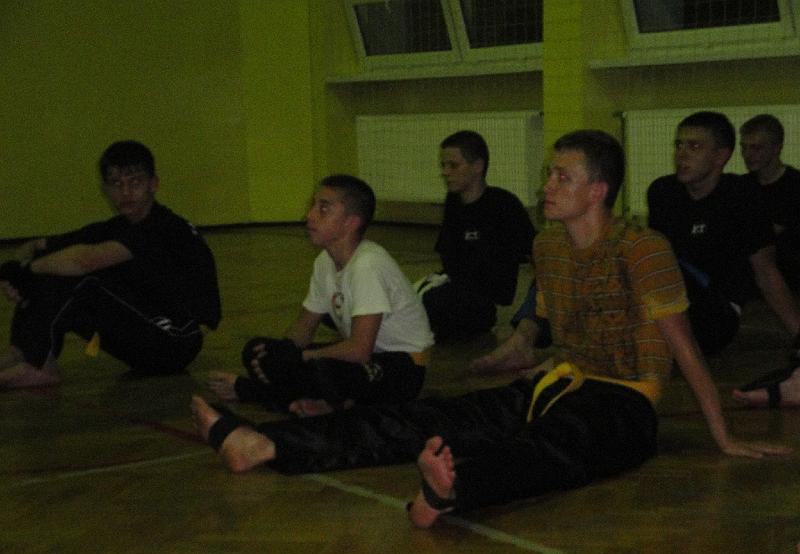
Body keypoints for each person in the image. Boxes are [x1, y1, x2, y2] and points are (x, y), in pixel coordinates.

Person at [191, 130, 789, 530]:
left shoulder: (642, 248)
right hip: (558, 380)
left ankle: (450, 490)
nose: (546, 186)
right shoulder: (549, 246)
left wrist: (723, 437)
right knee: (431, 416)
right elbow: (540, 326)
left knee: (555, 448)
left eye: (561, 178)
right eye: (549, 175)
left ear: (598, 191)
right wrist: (517, 360)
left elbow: (684, 348)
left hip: (625, 402)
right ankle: (267, 444)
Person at [207, 174, 434, 417]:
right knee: (257, 351)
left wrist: (301, 357)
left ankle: (253, 391)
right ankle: (321, 403)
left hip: (401, 367)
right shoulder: (324, 262)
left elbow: (359, 350)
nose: (310, 215)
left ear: (350, 223)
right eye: (313, 206)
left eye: (323, 209)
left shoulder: (368, 264)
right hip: (364, 360)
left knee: (324, 372)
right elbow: (304, 327)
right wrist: (282, 352)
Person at [0, 140, 221, 388]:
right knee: (49, 266)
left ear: (153, 184)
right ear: (105, 189)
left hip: (176, 340)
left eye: (135, 182)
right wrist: (17, 273)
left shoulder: (163, 227)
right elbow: (36, 246)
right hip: (147, 331)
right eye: (116, 183)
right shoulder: (117, 227)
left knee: (78, 277)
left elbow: (85, 261)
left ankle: (41, 365)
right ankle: (19, 354)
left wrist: (25, 271)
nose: (125, 192)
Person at [647, 111, 800, 355]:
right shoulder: (663, 192)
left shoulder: (742, 196)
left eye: (694, 146)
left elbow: (766, 271)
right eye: (679, 145)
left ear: (721, 156)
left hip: (715, 312)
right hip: (671, 305)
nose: (681, 154)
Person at [415, 130, 535, 341]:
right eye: (443, 165)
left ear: (478, 166)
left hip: (482, 299)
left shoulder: (503, 205)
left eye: (453, 165)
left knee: (435, 303)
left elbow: (534, 250)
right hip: (455, 286)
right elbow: (448, 254)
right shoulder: (453, 202)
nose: (445, 172)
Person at [740, 114, 800, 291]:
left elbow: (764, 234)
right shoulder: (741, 187)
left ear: (776, 148)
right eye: (744, 147)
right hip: (753, 285)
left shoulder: (794, 186)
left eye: (756, 148)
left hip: (791, 283)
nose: (747, 155)